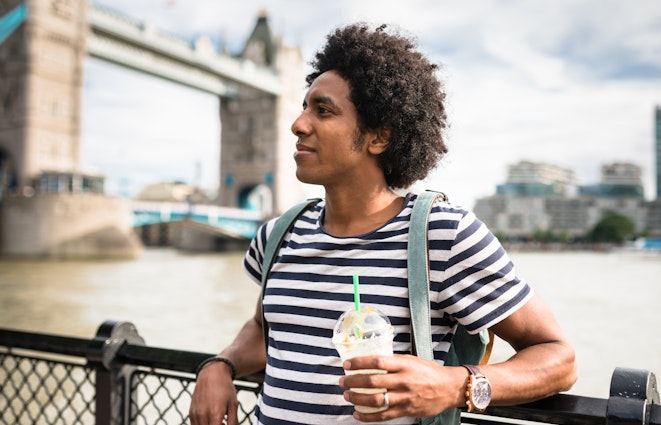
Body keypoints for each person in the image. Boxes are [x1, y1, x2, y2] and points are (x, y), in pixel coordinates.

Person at [189, 23, 577, 425]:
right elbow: (265, 329)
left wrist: (453, 386)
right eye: (304, 107)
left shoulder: (441, 236)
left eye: (323, 111)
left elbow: (558, 358)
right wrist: (221, 364)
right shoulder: (277, 234)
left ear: (378, 138)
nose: (298, 124)